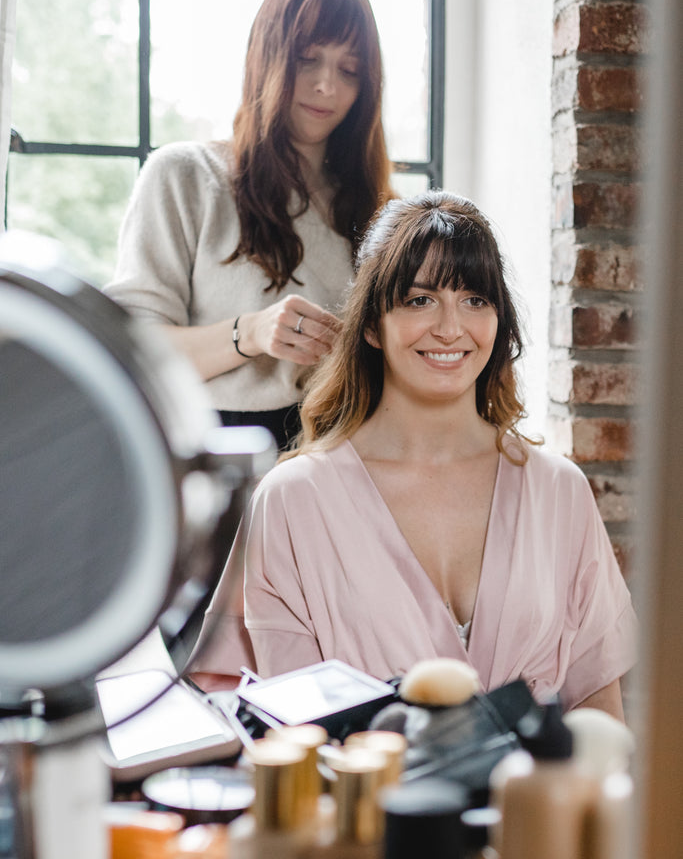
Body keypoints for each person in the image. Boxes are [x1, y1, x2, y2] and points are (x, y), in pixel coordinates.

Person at [189, 191, 636, 720]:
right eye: (419, 300)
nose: (451, 328)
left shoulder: (560, 491)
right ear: (373, 325)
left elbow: (598, 711)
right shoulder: (292, 502)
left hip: (534, 803)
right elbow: (278, 728)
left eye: (475, 299)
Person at [105, 0, 394, 450]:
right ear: (268, 55)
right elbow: (135, 352)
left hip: (340, 453)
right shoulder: (186, 176)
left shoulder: (374, 207)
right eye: (309, 59)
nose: (327, 85)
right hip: (215, 454)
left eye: (350, 70)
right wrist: (250, 332)